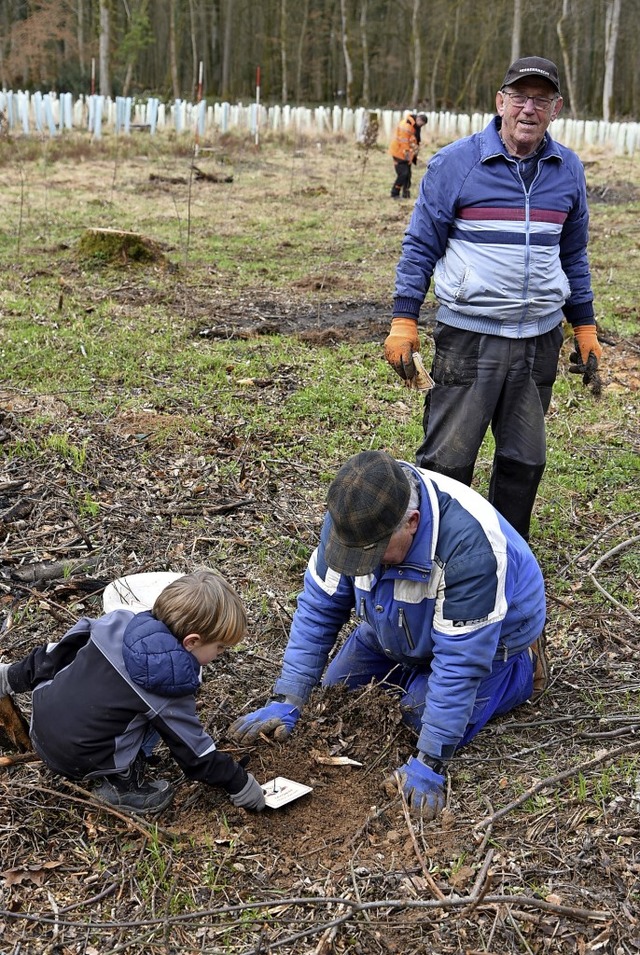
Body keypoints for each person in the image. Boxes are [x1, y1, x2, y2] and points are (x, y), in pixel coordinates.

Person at [228, 451, 547, 821]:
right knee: (336, 695)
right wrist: (289, 697)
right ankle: (416, 671)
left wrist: (430, 760)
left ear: (412, 522)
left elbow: (460, 663)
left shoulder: (470, 551)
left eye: (374, 555)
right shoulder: (353, 516)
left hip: (485, 639)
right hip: (391, 623)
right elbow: (319, 609)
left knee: (417, 714)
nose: (364, 564)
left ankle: (523, 669)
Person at [383, 56, 602, 541]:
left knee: (524, 461)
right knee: (448, 461)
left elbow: (574, 254)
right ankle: (437, 557)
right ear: (500, 102)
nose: (529, 108)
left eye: (540, 100)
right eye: (519, 97)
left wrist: (583, 325)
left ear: (556, 108)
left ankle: (506, 558)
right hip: (470, 338)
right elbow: (421, 245)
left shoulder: (567, 170)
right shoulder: (455, 164)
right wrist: (404, 319)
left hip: (538, 340)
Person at [0, 569, 266, 816]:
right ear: (192, 641)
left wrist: (9, 676)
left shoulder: (119, 620)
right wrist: (238, 783)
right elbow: (194, 755)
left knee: (99, 683)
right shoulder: (169, 687)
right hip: (79, 759)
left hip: (42, 723)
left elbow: (55, 654)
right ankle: (120, 786)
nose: (219, 655)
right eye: (219, 648)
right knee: (162, 717)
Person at [389, 110, 428, 199]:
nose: (421, 126)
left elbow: (413, 140)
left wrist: (414, 154)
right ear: (418, 119)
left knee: (408, 174)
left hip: (407, 154)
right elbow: (404, 142)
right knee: (403, 174)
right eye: (421, 124)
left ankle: (406, 194)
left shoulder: (414, 126)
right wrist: (407, 155)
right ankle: (394, 193)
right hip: (399, 153)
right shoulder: (407, 125)